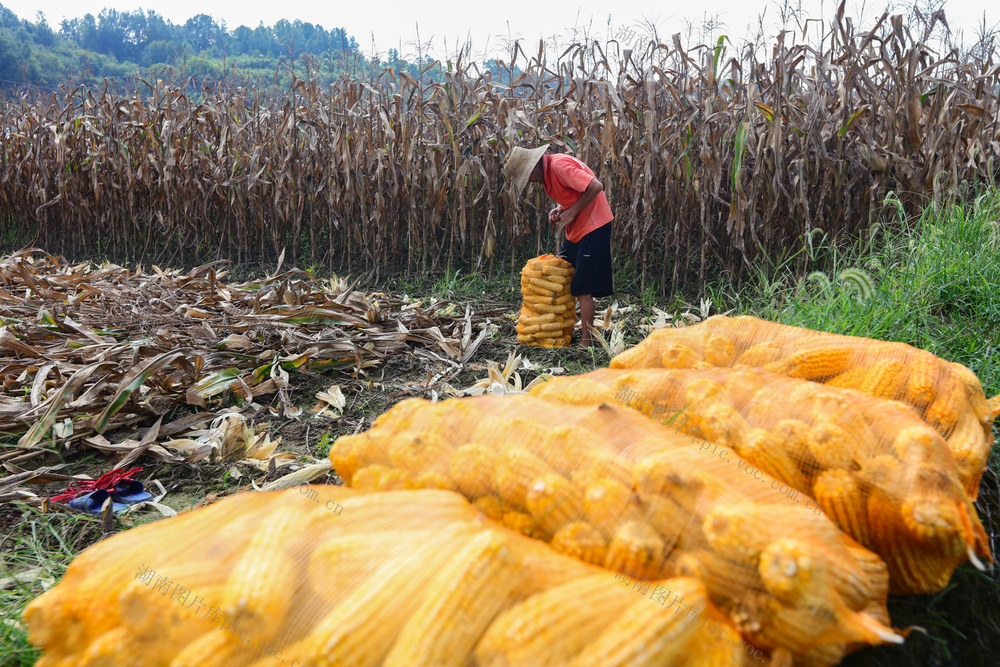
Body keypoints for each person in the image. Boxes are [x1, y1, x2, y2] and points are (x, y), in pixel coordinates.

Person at [503, 144, 614, 348]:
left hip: (594, 226)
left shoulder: (559, 166)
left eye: (528, 177)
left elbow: (595, 186)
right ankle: (557, 329)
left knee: (582, 287)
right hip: (578, 228)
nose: (530, 181)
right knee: (562, 271)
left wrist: (572, 212)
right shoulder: (548, 176)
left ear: (534, 166)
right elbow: (575, 194)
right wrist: (562, 209)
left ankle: (587, 343)